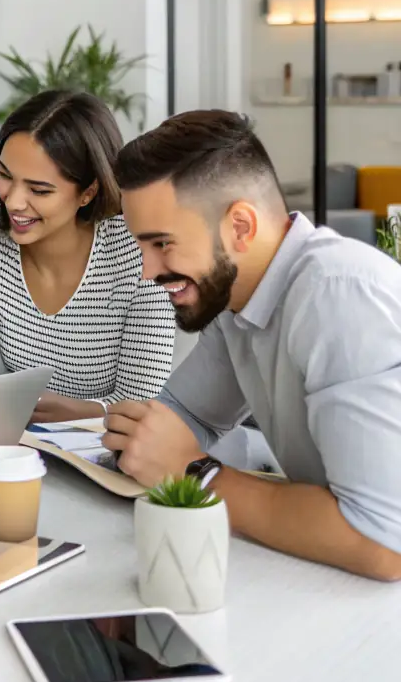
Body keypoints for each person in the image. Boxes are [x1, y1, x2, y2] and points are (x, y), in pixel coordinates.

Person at [106, 109, 401, 580]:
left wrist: (194, 473)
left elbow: (382, 543)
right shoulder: (237, 299)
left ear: (240, 228)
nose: (147, 271)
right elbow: (186, 417)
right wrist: (141, 437)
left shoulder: (336, 295)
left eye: (162, 244)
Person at [0, 91, 176, 421]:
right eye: (6, 175)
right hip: (23, 443)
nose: (14, 202)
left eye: (39, 190)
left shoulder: (139, 255)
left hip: (115, 450)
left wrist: (80, 412)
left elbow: (141, 402)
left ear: (88, 192)